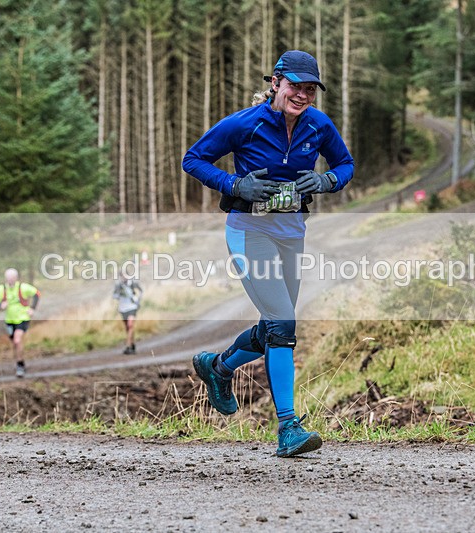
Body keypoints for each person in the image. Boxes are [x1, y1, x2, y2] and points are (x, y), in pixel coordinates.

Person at [182, 50, 354, 457]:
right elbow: (194, 159)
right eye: (295, 86)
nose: (302, 95)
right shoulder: (245, 123)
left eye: (309, 89)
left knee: (276, 328)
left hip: (292, 234)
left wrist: (328, 179)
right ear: (276, 83)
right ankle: (288, 428)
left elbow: (345, 164)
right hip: (249, 233)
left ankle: (218, 368)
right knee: (283, 324)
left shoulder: (318, 124)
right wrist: (235, 185)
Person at [0, 268, 40, 378]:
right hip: (9, 320)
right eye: (8, 278)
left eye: (12, 278)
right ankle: (20, 361)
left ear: (16, 278)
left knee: (18, 340)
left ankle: (19, 366)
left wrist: (32, 308)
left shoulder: (23, 287)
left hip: (23, 318)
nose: (10, 280)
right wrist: (0, 306)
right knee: (15, 343)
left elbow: (37, 293)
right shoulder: (1, 289)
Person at [113, 272, 143, 354]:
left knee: (130, 325)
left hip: (132, 307)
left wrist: (137, 299)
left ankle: (128, 346)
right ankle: (132, 344)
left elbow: (141, 291)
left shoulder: (133, 283)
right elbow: (114, 296)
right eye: (122, 276)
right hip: (123, 308)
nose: (124, 278)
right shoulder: (119, 285)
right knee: (128, 328)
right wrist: (119, 294)